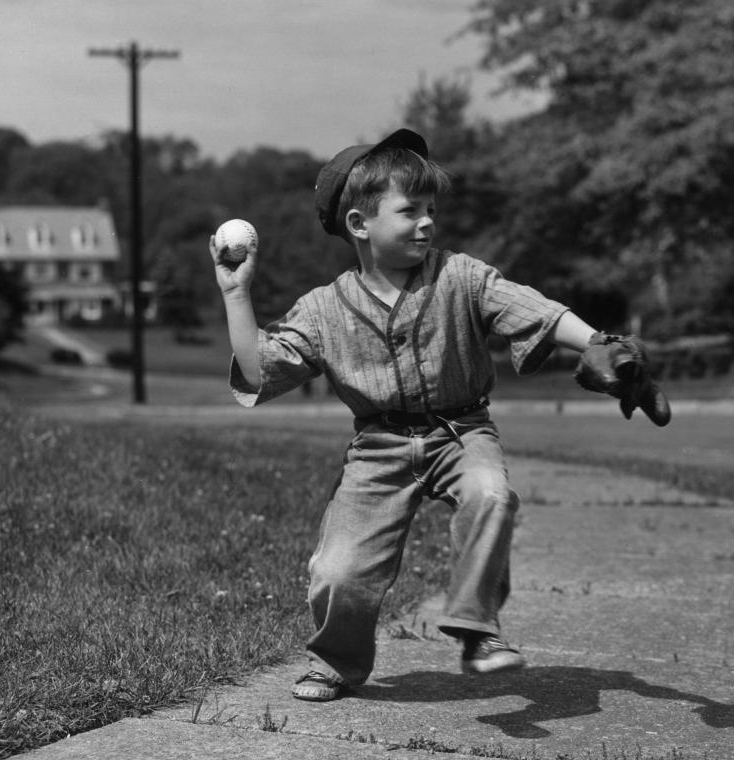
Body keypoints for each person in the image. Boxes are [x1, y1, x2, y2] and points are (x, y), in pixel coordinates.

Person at [209, 128, 638, 702]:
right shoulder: (322, 310)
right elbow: (260, 371)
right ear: (360, 225)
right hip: (378, 447)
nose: (427, 222)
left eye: (431, 209)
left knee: (490, 493)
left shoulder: (460, 276)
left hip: (461, 431)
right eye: (409, 210)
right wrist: (237, 294)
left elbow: (534, 309)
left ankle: (476, 629)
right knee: (340, 570)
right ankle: (338, 661)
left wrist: (598, 342)